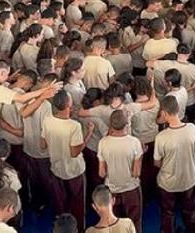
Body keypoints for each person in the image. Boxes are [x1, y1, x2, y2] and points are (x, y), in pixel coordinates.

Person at [41, 90, 92, 231]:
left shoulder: (47, 121)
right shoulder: (74, 126)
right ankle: (78, 229)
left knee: (60, 204)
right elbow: (75, 152)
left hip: (56, 169)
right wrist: (88, 135)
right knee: (78, 205)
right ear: (68, 104)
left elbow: (43, 145)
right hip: (74, 171)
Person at [154, 95, 195, 233]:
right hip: (189, 179)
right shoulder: (192, 128)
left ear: (163, 113)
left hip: (168, 183)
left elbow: (157, 163)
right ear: (178, 109)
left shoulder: (161, 137)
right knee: (191, 211)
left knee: (167, 212)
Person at [97, 110, 144, 233]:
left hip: (111, 191)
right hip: (131, 189)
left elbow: (102, 173)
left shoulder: (103, 143)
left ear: (111, 124)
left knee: (114, 224)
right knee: (134, 223)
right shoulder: (134, 143)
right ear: (126, 124)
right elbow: (136, 173)